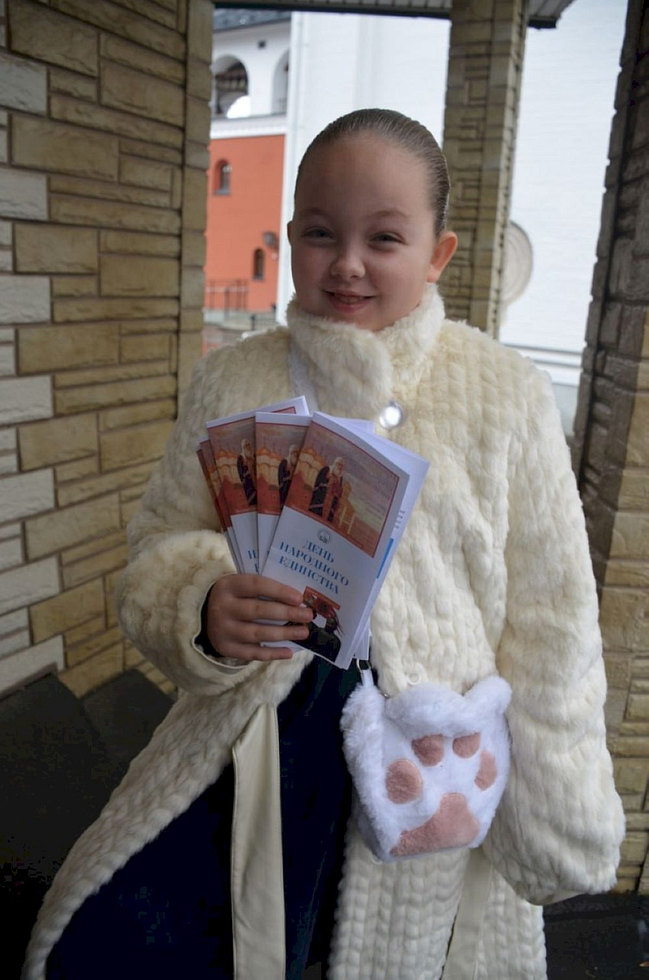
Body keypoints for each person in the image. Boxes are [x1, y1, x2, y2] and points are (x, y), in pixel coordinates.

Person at [25, 108, 624, 980]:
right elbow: (161, 539)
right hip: (258, 745)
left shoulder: (504, 394)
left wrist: (557, 804)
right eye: (318, 232)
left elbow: (553, 615)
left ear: (437, 253)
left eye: (383, 237)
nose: (346, 263)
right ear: (290, 234)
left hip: (428, 764)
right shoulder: (234, 377)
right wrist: (202, 603)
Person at [309, 456, 344, 522]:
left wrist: (338, 489)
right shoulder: (327, 469)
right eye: (338, 464)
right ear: (335, 463)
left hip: (331, 501)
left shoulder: (340, 478)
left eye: (341, 465)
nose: (339, 467)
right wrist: (327, 484)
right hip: (322, 498)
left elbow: (339, 490)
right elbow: (319, 481)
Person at [236, 437, 256, 507]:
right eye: (246, 445)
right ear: (243, 448)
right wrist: (248, 472)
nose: (248, 447)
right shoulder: (240, 458)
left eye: (248, 445)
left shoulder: (253, 456)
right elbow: (241, 475)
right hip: (248, 486)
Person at [278, 443, 299, 508]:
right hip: (284, 488)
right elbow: (280, 478)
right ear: (291, 453)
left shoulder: (293, 464)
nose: (296, 455)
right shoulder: (284, 462)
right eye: (294, 453)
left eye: (297, 454)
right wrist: (289, 477)